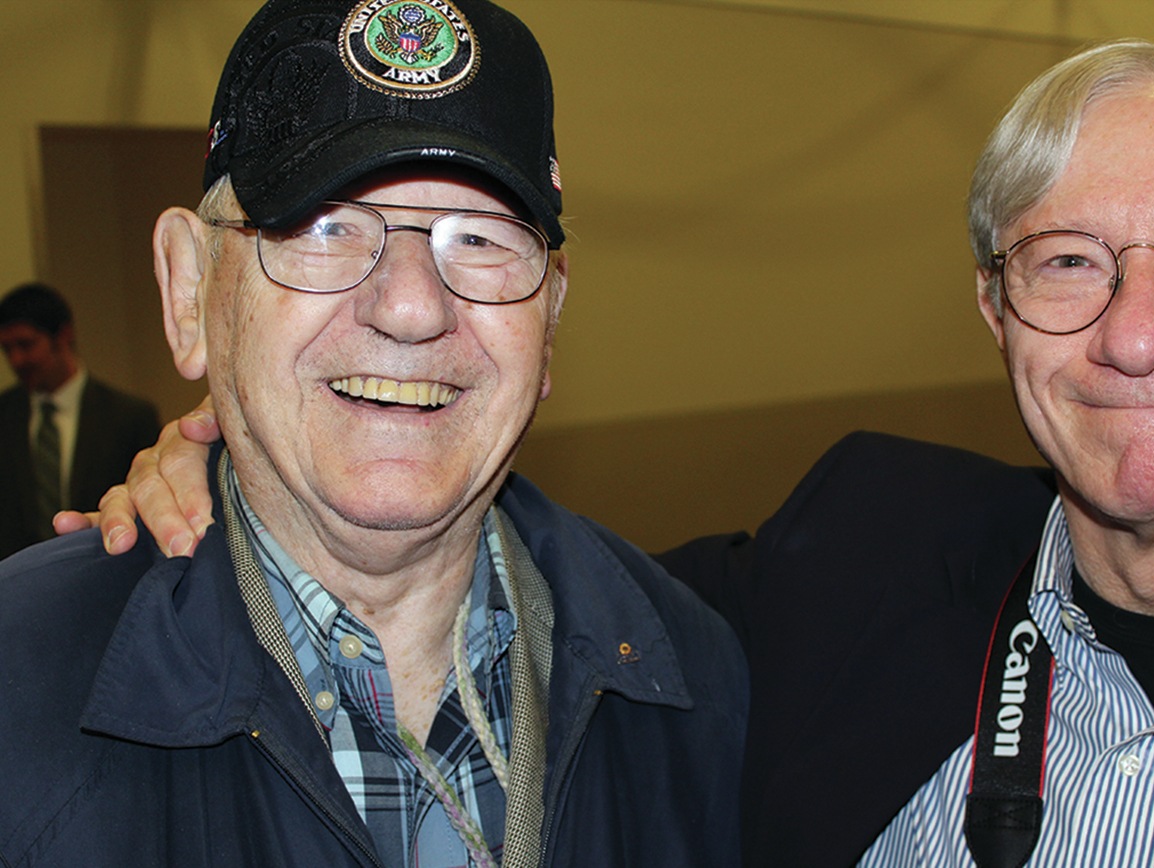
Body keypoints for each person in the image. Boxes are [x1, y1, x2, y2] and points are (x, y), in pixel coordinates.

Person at [81, 34, 1154, 868]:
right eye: (1070, 262)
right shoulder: (861, 560)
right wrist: (251, 464)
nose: (1138, 335)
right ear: (997, 309)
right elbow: (489, 582)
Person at [0, 1, 747, 866]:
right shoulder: (17, 698)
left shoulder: (695, 682)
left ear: (550, 313)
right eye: (327, 226)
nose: (411, 306)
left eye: (483, 238)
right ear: (190, 292)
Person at [0, 281, 160, 557]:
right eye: (7, 349)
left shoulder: (129, 417)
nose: (16, 360)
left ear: (63, 336)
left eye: (26, 345)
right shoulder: (5, 415)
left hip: (100, 571)